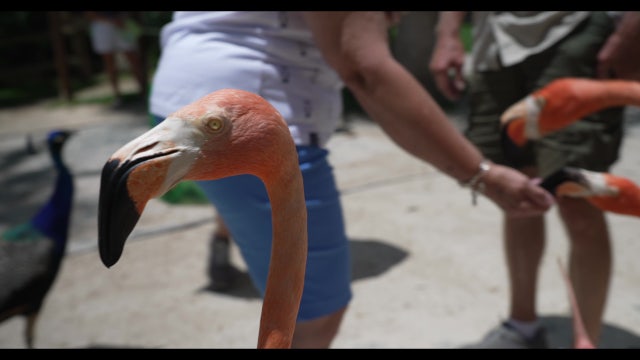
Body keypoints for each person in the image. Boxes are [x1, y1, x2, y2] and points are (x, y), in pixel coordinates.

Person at [149, 11, 554, 348]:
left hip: (177, 97)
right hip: (253, 122)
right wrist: (480, 174)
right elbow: (365, 67)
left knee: (245, 206)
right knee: (315, 316)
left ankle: (223, 248)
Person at [430, 11, 640, 348]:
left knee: (579, 204)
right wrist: (448, 30)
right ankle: (522, 326)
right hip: (495, 39)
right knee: (517, 191)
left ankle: (587, 341)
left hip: (574, 29)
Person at [85, 11, 148, 107]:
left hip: (123, 23)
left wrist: (122, 18)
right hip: (102, 26)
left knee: (134, 60)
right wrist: (111, 21)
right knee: (109, 63)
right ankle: (117, 96)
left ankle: (144, 93)